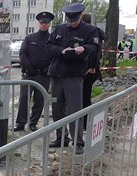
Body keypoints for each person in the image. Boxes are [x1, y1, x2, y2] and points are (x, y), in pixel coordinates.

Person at [45, 2, 100, 155]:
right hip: (57, 73)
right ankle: (61, 138)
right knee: (57, 108)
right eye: (69, 20)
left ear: (81, 16)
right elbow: (49, 46)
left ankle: (78, 142)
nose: (72, 23)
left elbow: (95, 47)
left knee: (75, 109)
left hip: (74, 74)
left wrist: (84, 48)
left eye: (74, 20)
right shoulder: (60, 28)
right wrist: (62, 51)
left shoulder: (89, 30)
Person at [13, 11, 55, 133]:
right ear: (38, 23)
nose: (44, 25)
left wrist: (49, 68)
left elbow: (54, 55)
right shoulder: (30, 38)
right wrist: (28, 66)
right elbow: (23, 53)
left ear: (49, 24)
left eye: (46, 23)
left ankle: (33, 123)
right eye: (42, 23)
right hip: (29, 74)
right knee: (24, 99)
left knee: (39, 100)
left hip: (44, 75)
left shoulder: (52, 39)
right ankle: (20, 123)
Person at [81, 14, 105, 129]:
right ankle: (84, 122)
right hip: (90, 69)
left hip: (89, 70)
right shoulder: (93, 32)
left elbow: (95, 52)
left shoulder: (91, 33)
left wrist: (92, 67)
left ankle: (85, 123)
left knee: (84, 97)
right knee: (84, 96)